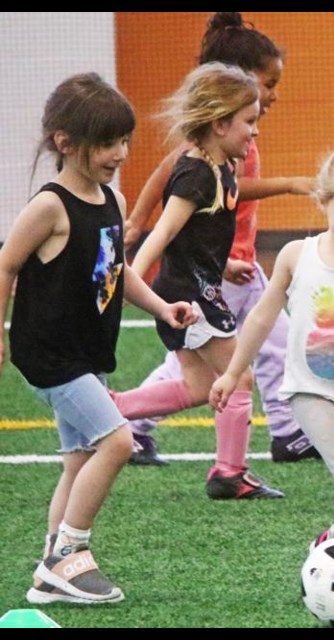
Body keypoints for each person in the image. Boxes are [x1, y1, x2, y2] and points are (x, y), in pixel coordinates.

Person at [0, 73, 196, 604]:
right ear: (66, 143)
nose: (121, 152)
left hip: (87, 354)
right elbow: (6, 264)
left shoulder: (110, 197)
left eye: (124, 140)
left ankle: (50, 571)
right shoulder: (49, 206)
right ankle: (69, 555)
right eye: (108, 142)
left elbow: (116, 271)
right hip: (51, 356)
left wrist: (161, 305)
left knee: (79, 459)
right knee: (118, 441)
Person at [209, 131, 334, 611]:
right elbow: (260, 317)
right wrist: (231, 371)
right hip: (308, 393)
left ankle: (330, 544)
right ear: (323, 201)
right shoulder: (296, 256)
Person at [123, 12, 318, 466]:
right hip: (202, 279)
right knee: (228, 368)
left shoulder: (233, 143)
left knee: (260, 349)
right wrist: (132, 270)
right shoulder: (209, 155)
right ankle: (230, 462)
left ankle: (283, 434)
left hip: (225, 267)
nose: (272, 97)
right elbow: (174, 205)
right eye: (268, 84)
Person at [109, 62, 285, 500]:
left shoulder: (221, 164)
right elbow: (165, 231)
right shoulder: (196, 172)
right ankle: (230, 473)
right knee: (238, 378)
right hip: (190, 297)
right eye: (249, 122)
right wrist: (127, 278)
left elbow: (194, 235)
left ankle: (109, 410)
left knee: (200, 388)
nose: (255, 133)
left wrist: (223, 267)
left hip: (199, 286)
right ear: (220, 122)